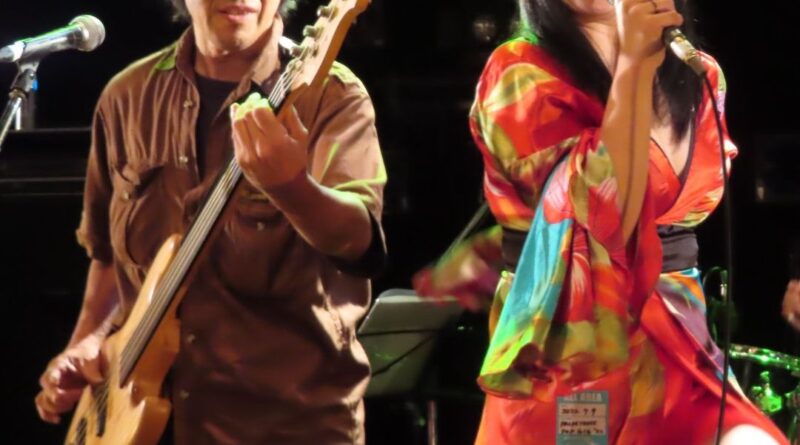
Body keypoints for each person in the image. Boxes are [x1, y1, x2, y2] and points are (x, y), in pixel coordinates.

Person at [415, 0, 789, 443]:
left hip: (677, 333)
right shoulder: (517, 70)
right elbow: (600, 213)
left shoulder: (699, 72)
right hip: (569, 337)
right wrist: (633, 68)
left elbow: (685, 203)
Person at [33, 0, 386, 443]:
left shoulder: (332, 94)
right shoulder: (126, 96)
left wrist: (291, 185)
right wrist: (85, 341)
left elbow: (357, 241)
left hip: (287, 423)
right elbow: (107, 256)